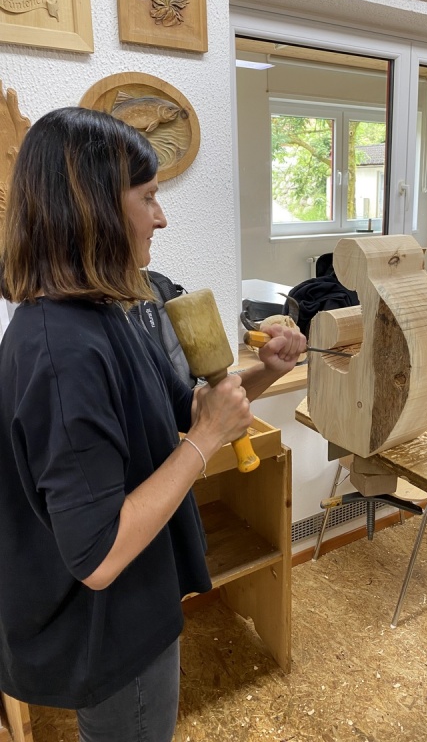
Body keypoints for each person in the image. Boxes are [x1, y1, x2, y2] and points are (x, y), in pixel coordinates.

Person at [0, 106, 306, 742]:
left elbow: (182, 410)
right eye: (147, 197)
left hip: (140, 598)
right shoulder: (63, 353)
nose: (161, 217)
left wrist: (265, 373)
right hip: (108, 632)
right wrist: (206, 442)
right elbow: (98, 556)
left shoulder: (107, 311)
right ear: (94, 211)